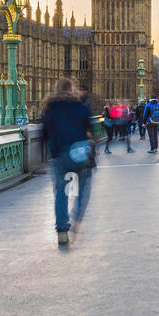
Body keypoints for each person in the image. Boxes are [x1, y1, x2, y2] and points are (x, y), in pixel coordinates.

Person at [41, 78, 94, 245]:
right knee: (84, 188)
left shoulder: (49, 108)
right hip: (79, 154)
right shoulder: (81, 107)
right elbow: (91, 130)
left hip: (59, 156)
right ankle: (76, 217)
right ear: (72, 90)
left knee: (61, 194)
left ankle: (62, 231)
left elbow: (44, 133)